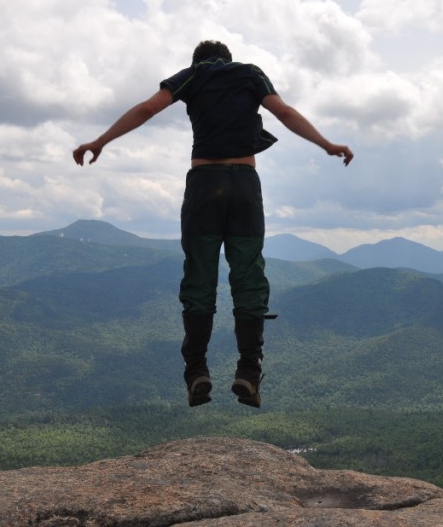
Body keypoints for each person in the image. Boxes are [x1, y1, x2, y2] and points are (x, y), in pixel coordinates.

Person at [73, 40, 353, 408]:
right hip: (245, 188)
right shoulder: (250, 74)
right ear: (227, 59)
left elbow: (146, 109)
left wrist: (101, 140)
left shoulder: (192, 76)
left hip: (205, 186)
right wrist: (326, 144)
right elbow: (283, 112)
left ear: (198, 60)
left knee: (200, 277)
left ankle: (196, 372)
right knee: (249, 275)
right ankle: (249, 372)